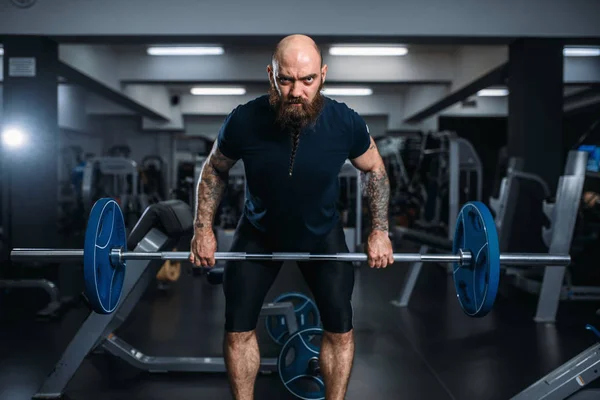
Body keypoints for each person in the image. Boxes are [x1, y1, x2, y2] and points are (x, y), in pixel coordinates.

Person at [189, 34, 394, 400]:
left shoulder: (345, 122)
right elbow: (215, 169)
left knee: (340, 330)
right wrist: (202, 228)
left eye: (308, 80)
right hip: (259, 231)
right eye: (286, 80)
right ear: (271, 75)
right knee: (237, 329)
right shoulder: (244, 120)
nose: (296, 91)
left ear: (323, 75)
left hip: (322, 235)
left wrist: (380, 230)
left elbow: (375, 170)